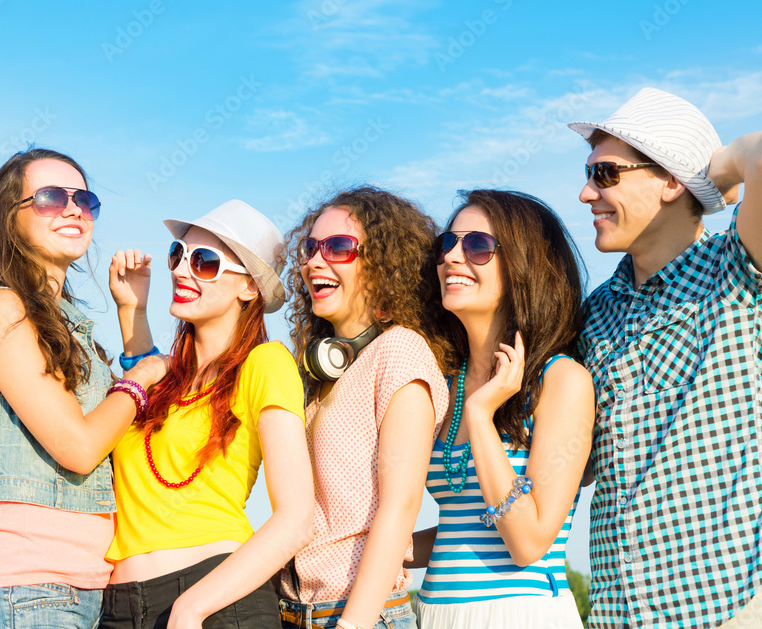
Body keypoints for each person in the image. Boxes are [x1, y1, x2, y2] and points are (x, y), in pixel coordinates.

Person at [0, 148, 167, 629]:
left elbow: (139, 428)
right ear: (8, 220)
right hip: (31, 593)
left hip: (88, 590)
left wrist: (132, 313)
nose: (71, 208)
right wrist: (138, 379)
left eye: (83, 199)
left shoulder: (69, 327)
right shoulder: (2, 309)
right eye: (49, 197)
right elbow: (81, 448)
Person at [569, 87, 761, 628]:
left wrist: (712, 174)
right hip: (615, 615)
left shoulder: (737, 269)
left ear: (672, 182)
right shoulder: (594, 315)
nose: (586, 193)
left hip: (727, 611)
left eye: (606, 173)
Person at [100, 200, 315, 629]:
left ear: (249, 288)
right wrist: (132, 309)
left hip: (216, 602)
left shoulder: (266, 363)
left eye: (204, 262)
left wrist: (192, 607)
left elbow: (296, 519)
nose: (180, 270)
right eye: (178, 254)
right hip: (120, 608)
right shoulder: (160, 376)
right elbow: (141, 371)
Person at [411, 189, 594, 628]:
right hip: (433, 613)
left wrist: (480, 416)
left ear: (525, 266)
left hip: (518, 612)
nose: (453, 257)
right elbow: (464, 527)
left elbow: (528, 540)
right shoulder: (444, 382)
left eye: (476, 246)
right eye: (447, 243)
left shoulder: (561, 380)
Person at [278, 187, 449, 629]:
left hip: (358, 617)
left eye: (337, 247)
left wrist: (353, 625)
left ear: (384, 265)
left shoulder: (400, 352)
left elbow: (401, 506)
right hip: (296, 613)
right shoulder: (323, 368)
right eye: (310, 248)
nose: (315, 261)